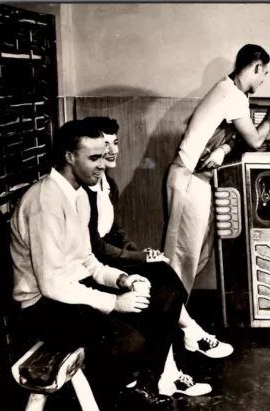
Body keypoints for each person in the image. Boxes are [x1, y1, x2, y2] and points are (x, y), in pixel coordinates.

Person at [10, 119, 185, 410]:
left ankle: (144, 386)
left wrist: (121, 280)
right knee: (127, 341)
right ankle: (114, 397)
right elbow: (51, 285)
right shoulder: (45, 203)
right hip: (42, 306)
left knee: (165, 296)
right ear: (69, 156)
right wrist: (115, 303)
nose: (103, 165)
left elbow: (87, 259)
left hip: (70, 290)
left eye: (103, 156)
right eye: (93, 158)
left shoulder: (77, 194)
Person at [163, 45, 270, 351]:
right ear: (257, 67)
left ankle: (179, 329)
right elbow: (256, 141)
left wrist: (222, 150)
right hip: (187, 180)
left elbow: (229, 136)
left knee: (198, 257)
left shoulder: (231, 91)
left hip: (199, 182)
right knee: (180, 263)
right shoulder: (231, 94)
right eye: (264, 73)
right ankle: (169, 334)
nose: (263, 80)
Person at [81, 116, 216, 397]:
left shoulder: (108, 184)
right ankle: (172, 365)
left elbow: (116, 233)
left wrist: (143, 254)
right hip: (91, 271)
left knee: (167, 277)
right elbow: (95, 249)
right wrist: (139, 259)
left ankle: (168, 371)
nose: (112, 150)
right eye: (104, 144)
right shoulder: (84, 191)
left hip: (109, 261)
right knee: (161, 294)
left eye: (115, 143)